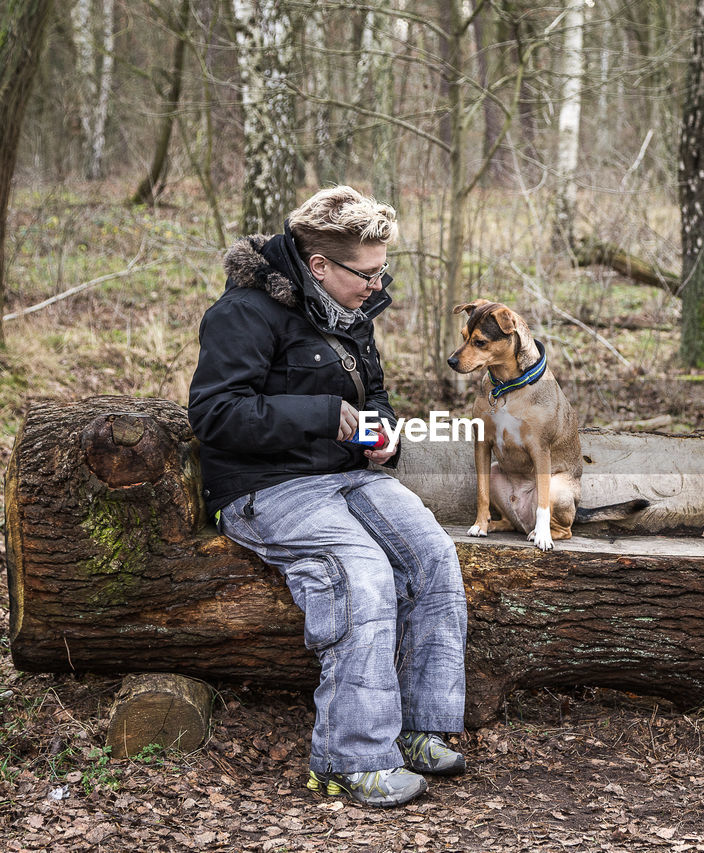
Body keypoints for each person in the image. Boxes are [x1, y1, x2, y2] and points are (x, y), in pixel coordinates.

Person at [188, 186, 468, 808]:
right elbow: (215, 415)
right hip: (267, 487)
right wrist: (320, 414)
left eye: (382, 270)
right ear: (319, 266)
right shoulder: (242, 314)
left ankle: (421, 728)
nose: (377, 284)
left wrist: (383, 434)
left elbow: (374, 397)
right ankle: (353, 757)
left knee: (432, 556)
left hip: (351, 477)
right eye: (366, 273)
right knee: (361, 573)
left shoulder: (351, 314)